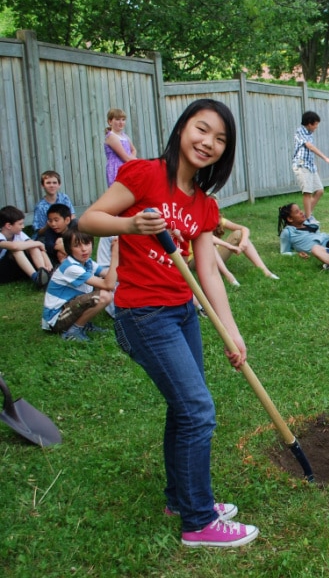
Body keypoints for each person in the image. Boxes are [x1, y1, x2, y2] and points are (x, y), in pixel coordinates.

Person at [78, 99, 259, 548]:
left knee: (184, 409)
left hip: (181, 311)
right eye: (202, 130)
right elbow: (88, 219)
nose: (208, 143)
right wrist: (132, 224)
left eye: (220, 139)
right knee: (198, 410)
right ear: (183, 129)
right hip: (142, 314)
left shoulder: (202, 204)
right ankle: (198, 521)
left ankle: (180, 498)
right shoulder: (143, 174)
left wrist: (231, 330)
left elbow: (208, 272)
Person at [42, 227, 117, 342]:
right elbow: (109, 284)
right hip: (56, 319)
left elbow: (108, 274)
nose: (84, 249)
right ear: (69, 249)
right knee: (105, 296)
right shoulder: (71, 267)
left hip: (69, 309)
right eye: (77, 246)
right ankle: (73, 331)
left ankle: (82, 324)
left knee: (103, 290)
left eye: (87, 243)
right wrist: (115, 255)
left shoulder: (88, 263)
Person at [277, 203, 329, 272]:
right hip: (326, 247)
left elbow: (318, 235)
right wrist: (297, 254)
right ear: (290, 219)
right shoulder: (287, 232)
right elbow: (284, 252)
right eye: (297, 212)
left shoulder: (306, 224)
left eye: (300, 210)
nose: (301, 212)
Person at [292, 111, 329, 227]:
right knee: (307, 193)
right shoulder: (300, 131)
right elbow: (309, 146)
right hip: (302, 166)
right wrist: (326, 158)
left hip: (310, 166)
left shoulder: (310, 133)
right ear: (309, 124)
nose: (316, 127)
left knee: (319, 190)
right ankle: (308, 218)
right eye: (315, 124)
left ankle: (306, 215)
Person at [212, 208, 279, 280]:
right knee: (210, 245)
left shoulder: (219, 220)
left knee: (239, 233)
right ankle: (228, 276)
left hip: (219, 255)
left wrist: (243, 241)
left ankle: (265, 271)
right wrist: (228, 245)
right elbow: (210, 238)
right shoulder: (199, 221)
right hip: (208, 259)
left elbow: (244, 229)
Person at [0, 205, 53, 288]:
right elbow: (14, 246)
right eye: (20, 224)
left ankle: (44, 274)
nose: (23, 226)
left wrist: (49, 265)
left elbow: (34, 245)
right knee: (17, 250)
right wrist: (38, 243)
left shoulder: (18, 233)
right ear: (8, 226)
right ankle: (36, 278)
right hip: (2, 271)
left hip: (13, 269)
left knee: (33, 246)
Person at [32, 170, 76, 245]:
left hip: (65, 228)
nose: (52, 185)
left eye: (54, 183)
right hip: (49, 232)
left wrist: (63, 226)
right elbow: (39, 231)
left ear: (59, 185)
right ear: (43, 185)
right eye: (48, 183)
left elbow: (72, 215)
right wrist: (49, 225)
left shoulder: (64, 198)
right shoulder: (40, 206)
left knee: (76, 222)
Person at [104, 107, 138, 186]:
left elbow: (133, 150)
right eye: (118, 119)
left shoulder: (124, 136)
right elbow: (124, 157)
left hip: (127, 165)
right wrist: (135, 161)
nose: (121, 122)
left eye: (123, 119)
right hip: (117, 169)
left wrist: (132, 158)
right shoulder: (111, 137)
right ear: (110, 121)